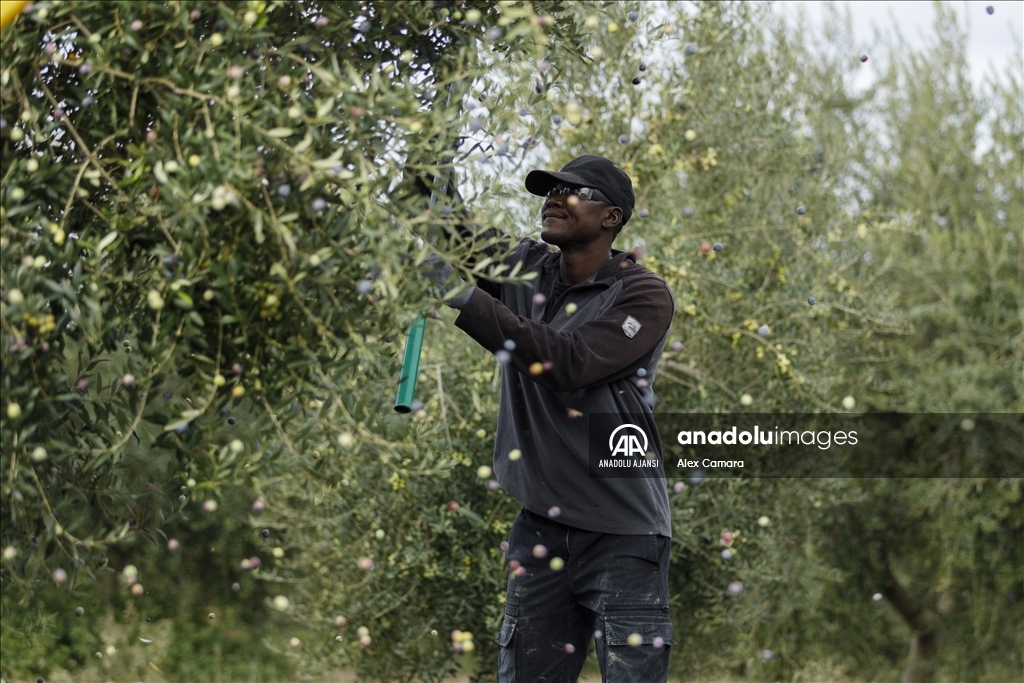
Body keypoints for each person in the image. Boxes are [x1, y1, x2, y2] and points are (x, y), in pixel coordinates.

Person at [436, 154, 676, 682]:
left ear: (610, 217)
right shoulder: (527, 267)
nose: (553, 199)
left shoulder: (642, 295)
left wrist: (460, 295)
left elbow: (568, 364)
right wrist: (430, 163)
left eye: (573, 191)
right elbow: (447, 228)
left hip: (624, 533)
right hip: (541, 528)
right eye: (549, 190)